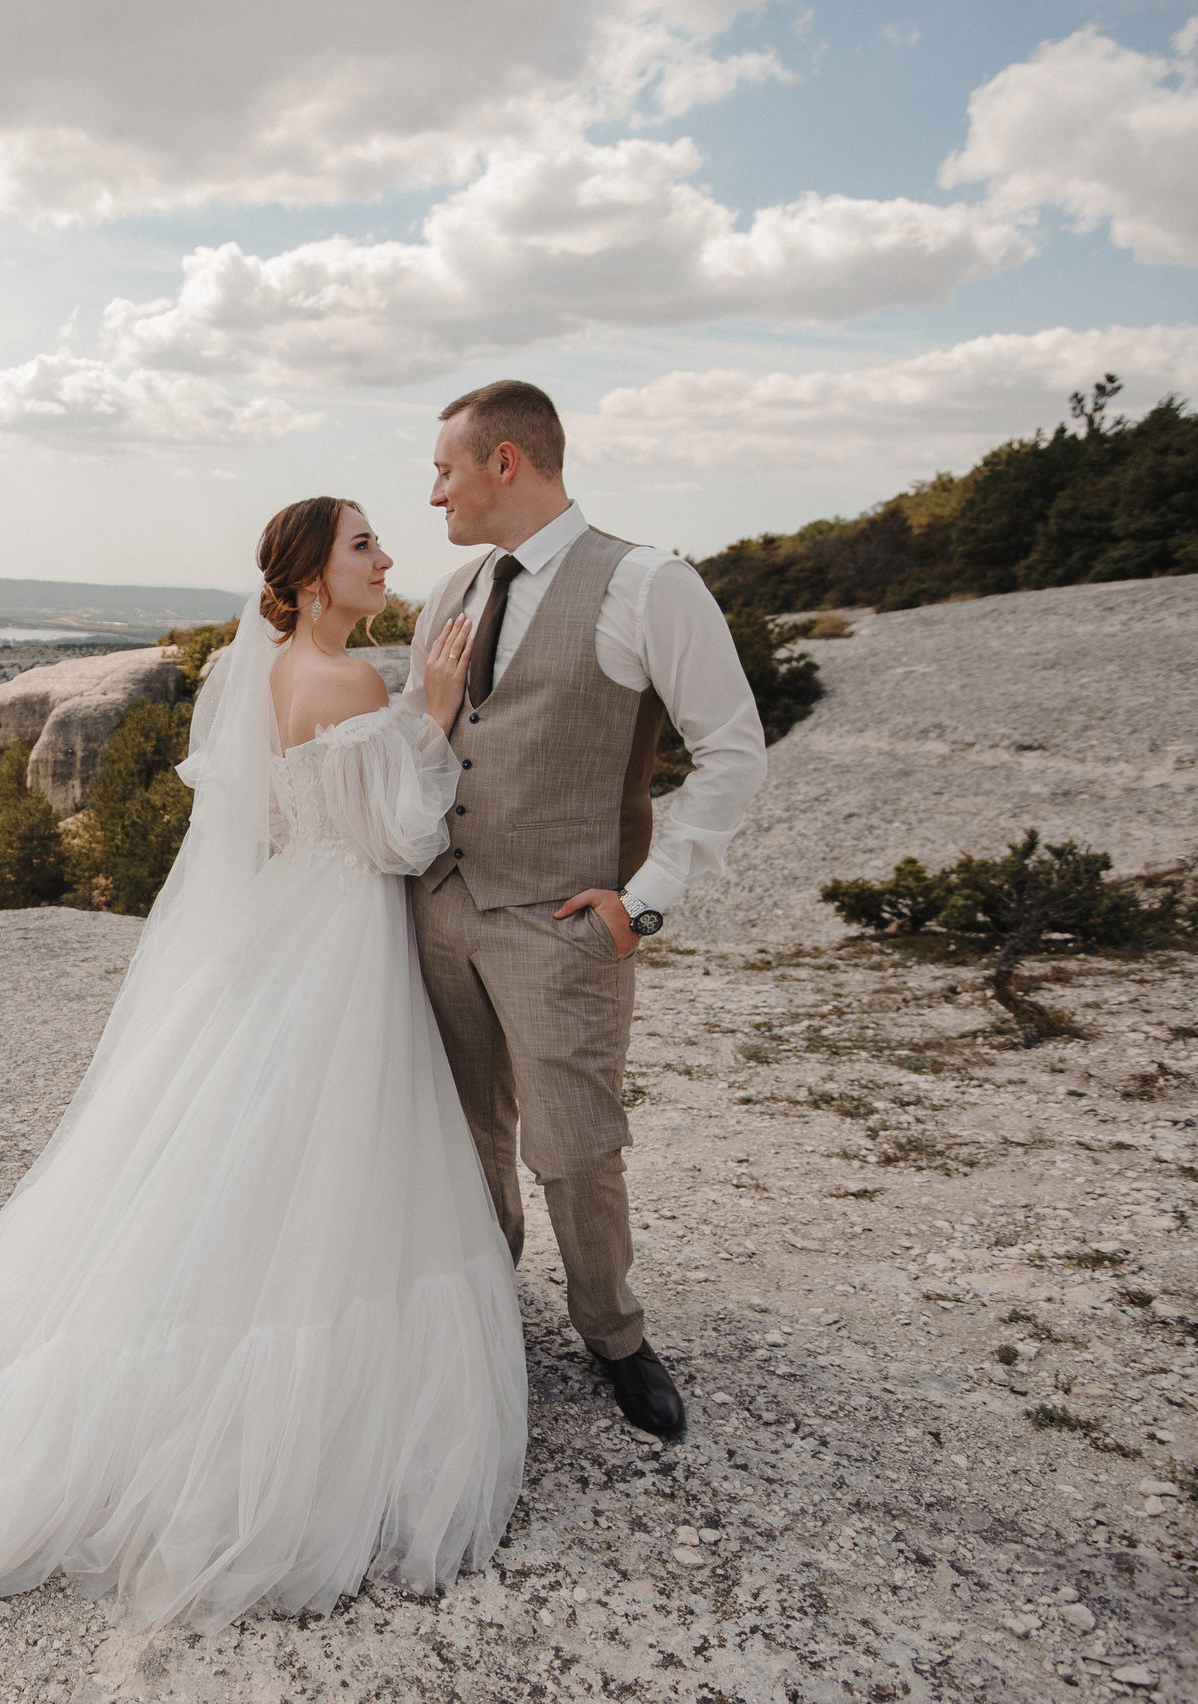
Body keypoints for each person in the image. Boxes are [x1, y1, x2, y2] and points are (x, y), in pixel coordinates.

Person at [0, 499, 525, 1633]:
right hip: (345, 926)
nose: (387, 558)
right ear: (311, 576)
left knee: (245, 1135)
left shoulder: (257, 679)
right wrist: (435, 720)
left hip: (288, 918)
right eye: (364, 545)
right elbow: (397, 840)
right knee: (336, 1133)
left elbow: (264, 827)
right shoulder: (358, 684)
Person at [403, 380, 767, 1441]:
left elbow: (733, 752)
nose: (434, 496)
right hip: (440, 908)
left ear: (504, 462)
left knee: (573, 1145)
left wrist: (645, 901)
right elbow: (427, 746)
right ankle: (483, 1310)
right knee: (465, 1131)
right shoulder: (451, 592)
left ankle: (612, 1334)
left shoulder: (648, 583)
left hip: (561, 920)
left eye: (444, 470)